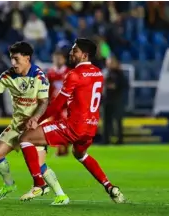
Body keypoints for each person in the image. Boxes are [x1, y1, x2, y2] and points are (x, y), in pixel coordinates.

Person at [17, 38, 126, 204]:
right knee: (80, 154)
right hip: (91, 127)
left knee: (25, 138)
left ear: (84, 55)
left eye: (74, 50)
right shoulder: (98, 73)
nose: (70, 53)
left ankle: (39, 184)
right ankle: (110, 187)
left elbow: (58, 104)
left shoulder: (74, 75)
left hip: (73, 126)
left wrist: (36, 118)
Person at [0, 41, 69, 205]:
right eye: (11, 59)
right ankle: (9, 185)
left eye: (16, 59)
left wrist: (35, 118)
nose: (13, 63)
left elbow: (44, 102)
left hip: (34, 127)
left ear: (27, 58)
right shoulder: (7, 76)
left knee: (39, 166)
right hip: (17, 125)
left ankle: (61, 195)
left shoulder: (39, 77)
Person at [47, 50, 71, 156]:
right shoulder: (50, 73)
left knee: (64, 126)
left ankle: (62, 148)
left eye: (59, 57)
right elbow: (48, 90)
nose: (57, 59)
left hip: (66, 105)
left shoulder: (69, 72)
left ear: (64, 59)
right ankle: (61, 148)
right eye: (55, 57)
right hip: (54, 105)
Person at [103, 57, 129, 145]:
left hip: (117, 100)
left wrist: (114, 86)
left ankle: (119, 139)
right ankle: (105, 140)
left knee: (118, 121)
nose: (110, 64)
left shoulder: (120, 74)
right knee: (106, 121)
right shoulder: (105, 73)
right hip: (106, 100)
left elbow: (123, 85)